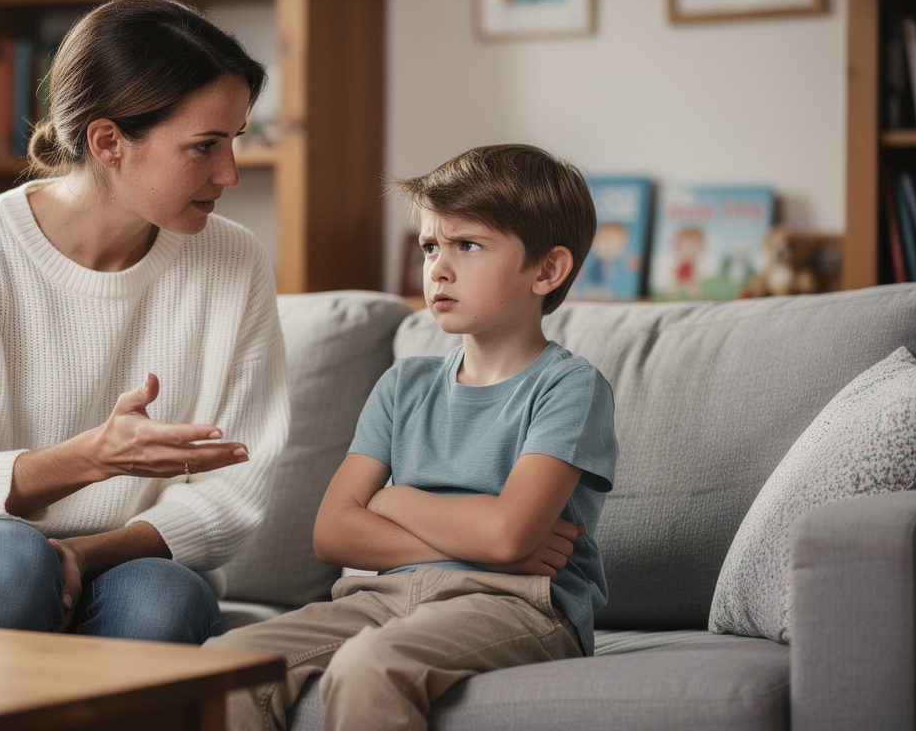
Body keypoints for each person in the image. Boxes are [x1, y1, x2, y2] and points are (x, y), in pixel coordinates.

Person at [0, 0, 290, 645]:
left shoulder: (234, 261)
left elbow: (236, 491)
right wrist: (91, 458)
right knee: (7, 562)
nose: (230, 172)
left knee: (163, 604)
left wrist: (83, 555)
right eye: (204, 146)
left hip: (121, 558)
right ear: (108, 141)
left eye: (235, 141)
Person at [205, 144, 618, 730]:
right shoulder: (404, 385)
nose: (437, 269)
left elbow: (507, 537)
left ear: (547, 270)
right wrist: (473, 536)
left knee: (370, 666)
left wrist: (393, 501)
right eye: (430, 247)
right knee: (225, 663)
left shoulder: (570, 388)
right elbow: (333, 532)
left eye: (467, 246)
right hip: (384, 597)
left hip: (517, 605)